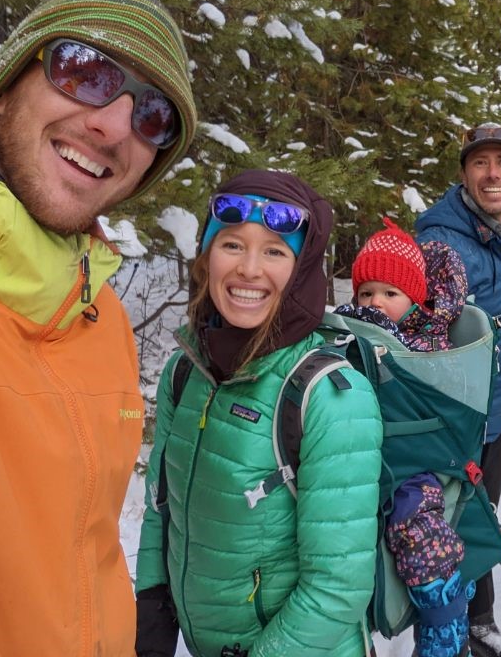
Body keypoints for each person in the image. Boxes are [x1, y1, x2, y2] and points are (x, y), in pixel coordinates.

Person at [0, 0, 198, 657]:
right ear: (3, 85)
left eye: (153, 117)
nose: (112, 126)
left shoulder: (100, 316)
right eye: (83, 69)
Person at [134, 171, 384, 657]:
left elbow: (336, 589)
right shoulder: (185, 373)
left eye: (274, 251)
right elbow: (160, 506)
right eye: (232, 244)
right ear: (207, 258)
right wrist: (152, 602)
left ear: (303, 269)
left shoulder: (330, 395)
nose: (249, 269)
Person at [415, 124, 501, 657]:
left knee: (480, 518)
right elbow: (420, 332)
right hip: (456, 419)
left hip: (495, 412)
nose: (493, 174)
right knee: (451, 526)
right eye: (481, 163)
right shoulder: (443, 239)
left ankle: (477, 622)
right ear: (464, 173)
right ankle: (452, 634)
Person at [335, 218, 474, 657]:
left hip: (413, 467)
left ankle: (443, 624)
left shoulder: (429, 341)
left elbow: (440, 395)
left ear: (414, 301)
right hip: (357, 458)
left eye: (390, 294)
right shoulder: (347, 332)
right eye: (366, 293)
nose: (376, 302)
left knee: (418, 534)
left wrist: (390, 345)